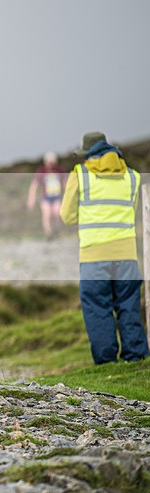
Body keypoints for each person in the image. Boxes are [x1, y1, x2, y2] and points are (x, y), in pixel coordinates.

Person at [60, 132, 148, 364]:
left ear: (88, 155)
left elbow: (67, 217)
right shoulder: (132, 177)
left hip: (93, 256)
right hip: (127, 255)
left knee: (98, 308)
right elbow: (132, 210)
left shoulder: (80, 175)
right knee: (128, 305)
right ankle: (136, 356)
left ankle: (107, 361)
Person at [27, 151, 66, 239]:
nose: (50, 163)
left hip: (57, 196)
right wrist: (31, 198)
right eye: (48, 161)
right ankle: (48, 234)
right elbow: (34, 185)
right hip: (46, 197)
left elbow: (64, 183)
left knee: (57, 213)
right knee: (46, 215)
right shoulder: (42, 171)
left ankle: (57, 232)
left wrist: (68, 195)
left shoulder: (59, 170)